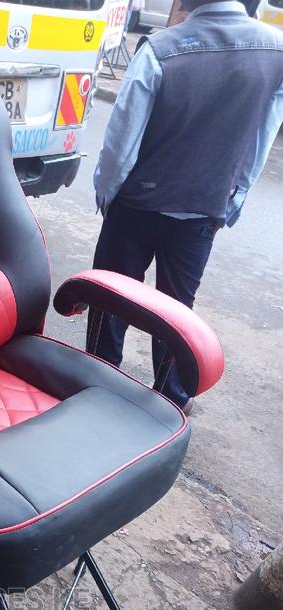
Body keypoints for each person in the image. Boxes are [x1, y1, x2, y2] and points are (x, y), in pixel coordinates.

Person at [90, 0, 283, 413]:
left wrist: (107, 192)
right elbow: (262, 136)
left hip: (137, 204)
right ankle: (171, 403)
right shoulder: (275, 51)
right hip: (204, 207)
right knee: (178, 308)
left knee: (111, 297)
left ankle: (97, 384)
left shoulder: (162, 49)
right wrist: (235, 195)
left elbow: (121, 141)